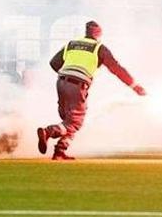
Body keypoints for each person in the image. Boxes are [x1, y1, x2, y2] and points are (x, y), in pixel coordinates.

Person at [37, 21, 146, 160]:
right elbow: (116, 69)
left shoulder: (72, 44)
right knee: (76, 122)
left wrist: (67, 74)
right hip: (78, 85)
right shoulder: (99, 48)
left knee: (68, 119)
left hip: (61, 82)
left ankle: (59, 151)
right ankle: (48, 132)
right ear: (98, 34)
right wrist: (134, 86)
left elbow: (54, 63)